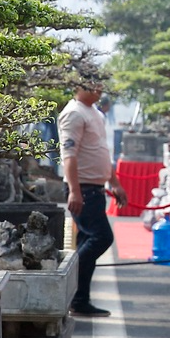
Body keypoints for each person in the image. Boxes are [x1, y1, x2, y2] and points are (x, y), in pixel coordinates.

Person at [58, 79, 115, 317]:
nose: (98, 89)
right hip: (82, 188)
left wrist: (116, 183)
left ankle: (79, 299)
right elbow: (68, 154)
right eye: (92, 85)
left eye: (99, 85)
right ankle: (66, 282)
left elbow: (100, 150)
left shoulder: (94, 113)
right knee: (101, 237)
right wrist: (74, 190)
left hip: (95, 187)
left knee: (87, 240)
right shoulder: (73, 113)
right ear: (78, 87)